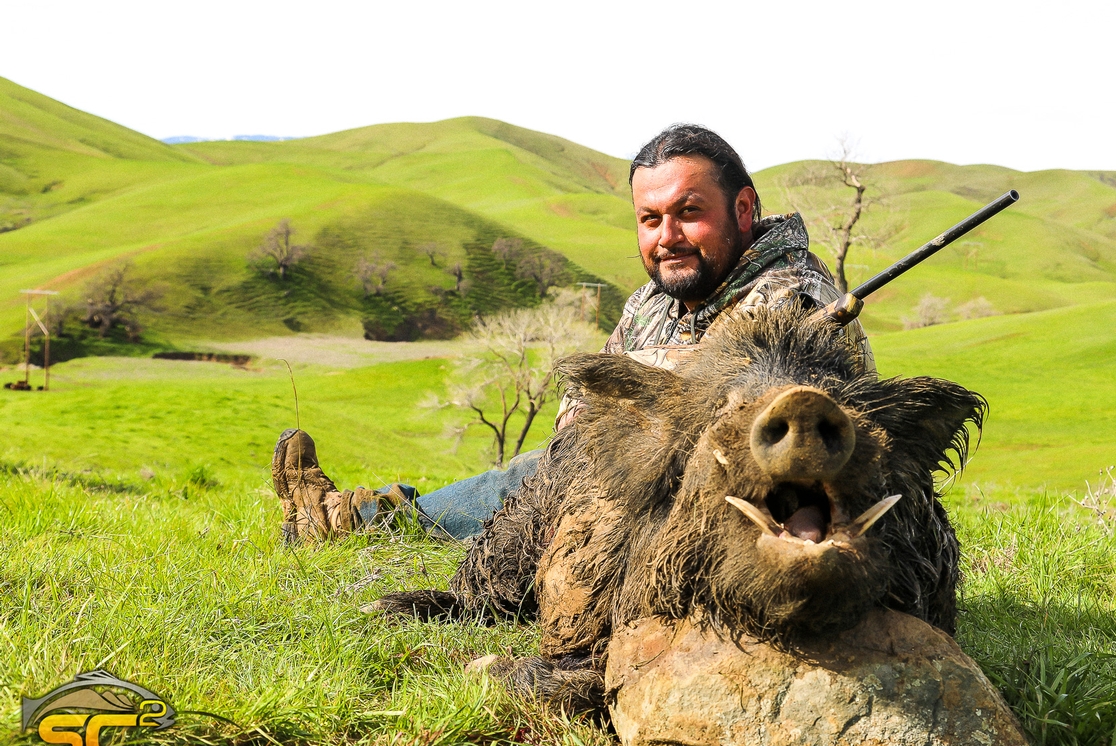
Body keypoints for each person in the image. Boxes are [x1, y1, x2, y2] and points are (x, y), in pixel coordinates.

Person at [272, 123, 872, 544]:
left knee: (540, 483)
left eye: (689, 212)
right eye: (649, 219)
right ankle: (363, 519)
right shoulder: (652, 301)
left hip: (731, 517)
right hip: (604, 485)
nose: (667, 236)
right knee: (543, 474)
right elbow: (577, 418)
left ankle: (362, 520)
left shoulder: (794, 301)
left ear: (743, 210)